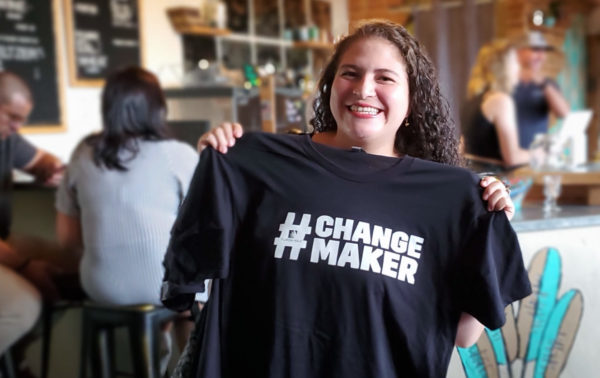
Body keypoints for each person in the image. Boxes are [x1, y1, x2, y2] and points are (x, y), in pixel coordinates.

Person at [162, 20, 531, 377]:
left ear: (412, 98)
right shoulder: (260, 167)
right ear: (330, 85)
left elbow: (464, 336)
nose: (363, 89)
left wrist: (482, 230)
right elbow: (195, 266)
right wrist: (217, 164)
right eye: (350, 73)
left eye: (384, 77)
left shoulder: (448, 200)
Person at [55, 66, 198, 370]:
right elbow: (202, 231)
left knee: (177, 296)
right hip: (162, 287)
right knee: (195, 300)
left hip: (99, 287)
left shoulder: (83, 153)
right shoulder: (178, 154)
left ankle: (157, 350)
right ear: (158, 109)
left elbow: (66, 239)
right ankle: (182, 366)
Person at [0, 71, 64, 356]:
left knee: (74, 273)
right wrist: (26, 266)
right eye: (12, 117)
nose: (18, 126)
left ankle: (15, 358)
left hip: (5, 241)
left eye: (23, 119)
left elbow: (43, 159)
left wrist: (49, 169)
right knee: (23, 306)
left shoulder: (7, 139)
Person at [461, 39, 535, 172]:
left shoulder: (474, 100)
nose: (518, 68)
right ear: (503, 67)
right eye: (515, 63)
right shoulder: (500, 100)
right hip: (491, 181)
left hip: (469, 175)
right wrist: (541, 154)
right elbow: (512, 158)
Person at [513, 30, 569, 149]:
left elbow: (564, 114)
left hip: (535, 157)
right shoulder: (505, 82)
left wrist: (543, 84)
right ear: (519, 51)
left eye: (543, 51)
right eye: (535, 50)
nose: (541, 56)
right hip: (507, 158)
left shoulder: (547, 83)